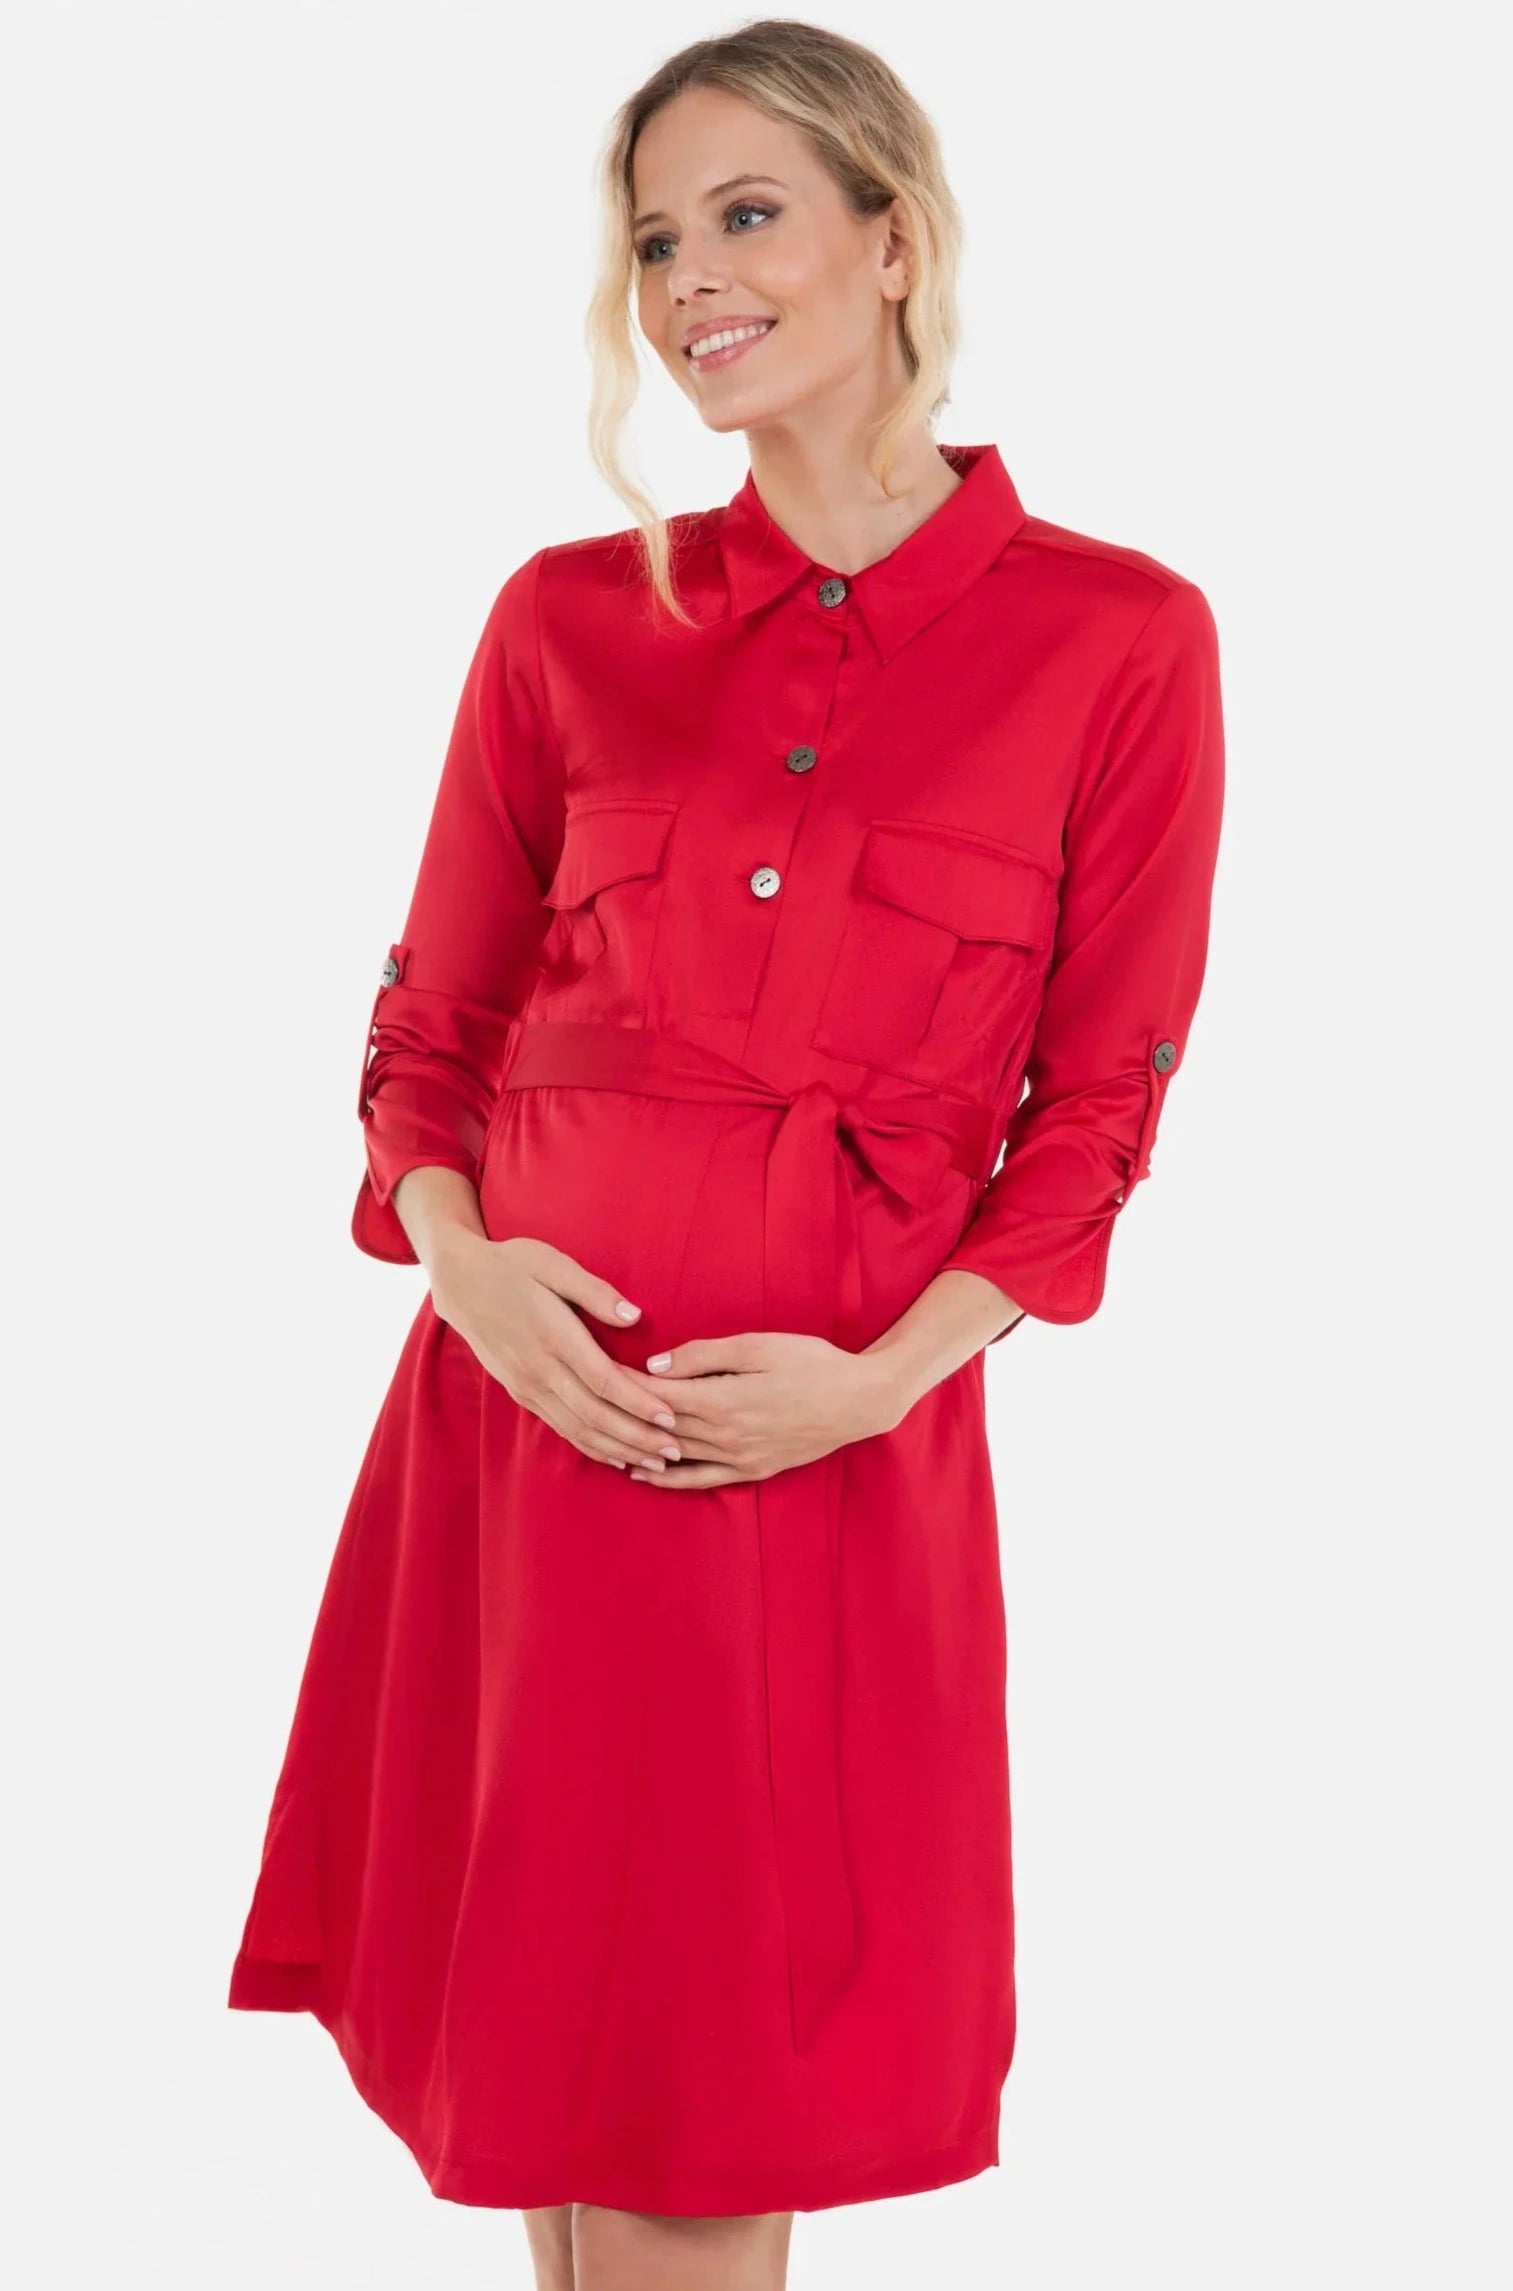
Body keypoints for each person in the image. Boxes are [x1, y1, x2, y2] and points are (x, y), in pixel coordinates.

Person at [226, 19, 1224, 2291]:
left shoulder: (1118, 639)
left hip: (814, 1460)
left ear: (896, 241)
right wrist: (469, 1272)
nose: (690, 280)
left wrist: (874, 1385)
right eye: (657, 238)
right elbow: (431, 1032)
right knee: (564, 2086)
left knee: (696, 2111)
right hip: (518, 1434)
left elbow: (1100, 1105)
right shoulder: (568, 617)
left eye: (746, 215)